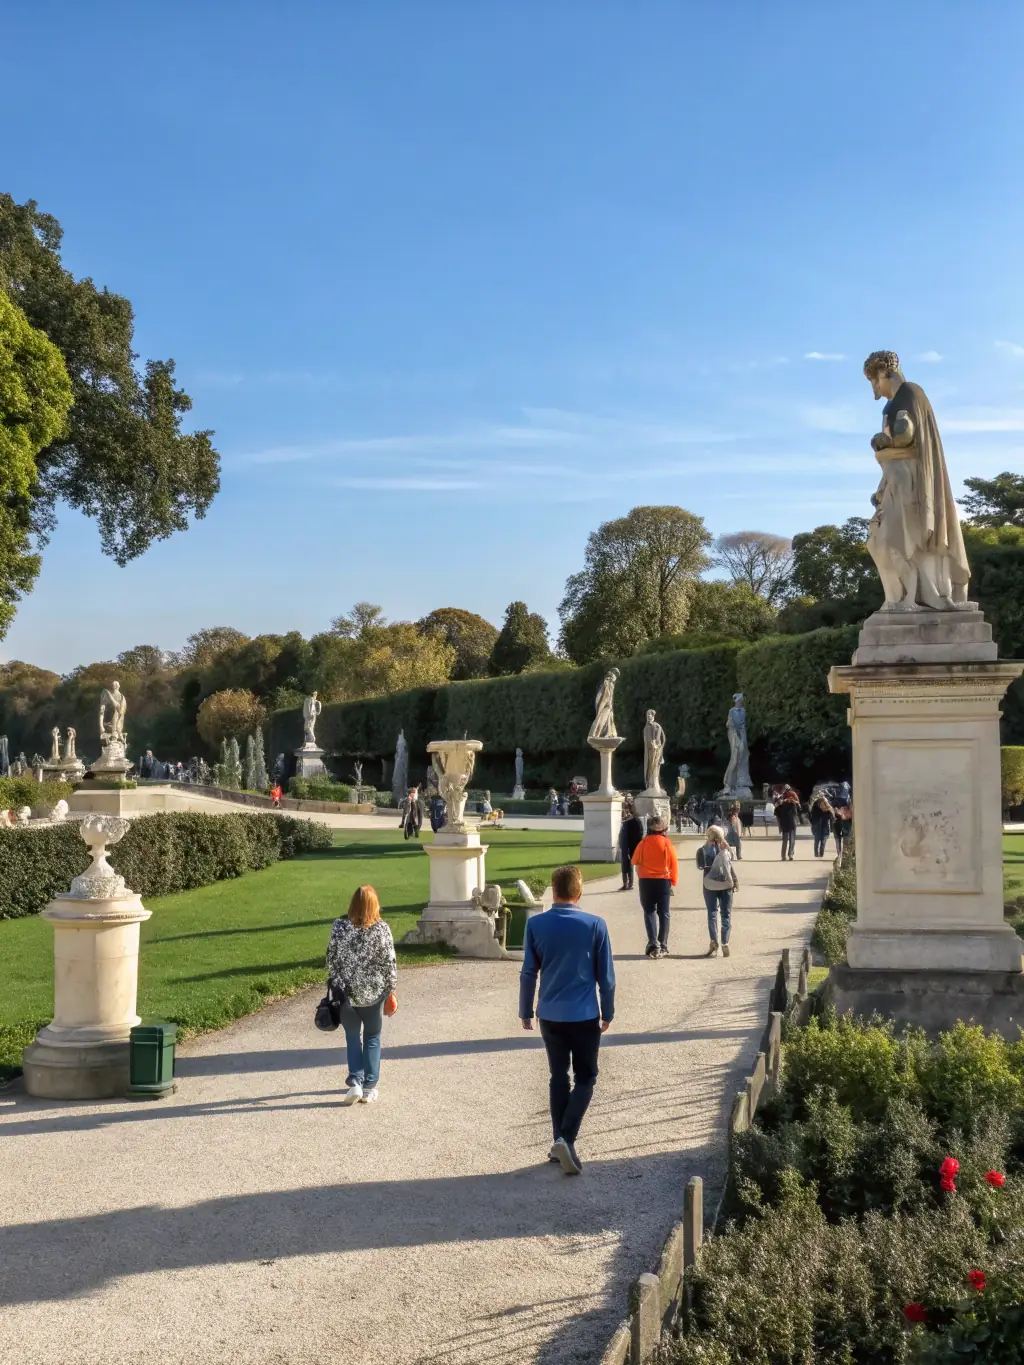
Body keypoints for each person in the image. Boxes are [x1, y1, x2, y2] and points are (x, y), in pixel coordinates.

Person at [519, 865, 615, 1175]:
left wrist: (525, 1010)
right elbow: (607, 978)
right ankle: (566, 1137)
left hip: (550, 1013)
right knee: (585, 1077)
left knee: (558, 1076)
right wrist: (608, 1011)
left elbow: (529, 971)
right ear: (579, 892)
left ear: (553, 890)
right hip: (584, 1013)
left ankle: (557, 1142)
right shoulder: (595, 925)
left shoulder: (536, 925)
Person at [326, 885, 398, 1105]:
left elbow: (331, 960)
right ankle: (369, 1087)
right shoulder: (381, 929)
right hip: (373, 994)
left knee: (352, 1037)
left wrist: (336, 984)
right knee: (372, 1037)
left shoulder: (339, 926)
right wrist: (391, 991)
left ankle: (355, 1082)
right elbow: (389, 963)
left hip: (346, 994)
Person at [631, 813, 679, 958]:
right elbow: (673, 864)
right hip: (663, 880)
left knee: (649, 911)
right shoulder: (666, 843)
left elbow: (634, 861)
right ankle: (663, 944)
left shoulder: (643, 843)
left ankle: (653, 943)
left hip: (646, 880)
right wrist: (673, 881)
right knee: (664, 913)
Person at [695, 825, 738, 958]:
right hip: (725, 884)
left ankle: (713, 941)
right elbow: (730, 865)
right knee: (726, 914)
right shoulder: (725, 849)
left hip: (710, 885)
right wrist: (735, 880)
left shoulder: (702, 850)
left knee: (712, 913)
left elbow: (700, 866)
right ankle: (725, 942)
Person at [617, 799, 644, 891]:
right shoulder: (624, 822)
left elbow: (639, 835)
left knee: (630, 865)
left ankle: (630, 883)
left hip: (632, 846)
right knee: (624, 865)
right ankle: (625, 883)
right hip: (625, 846)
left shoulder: (636, 821)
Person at [775, 786, 800, 861]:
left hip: (791, 823)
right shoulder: (781, 800)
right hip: (785, 823)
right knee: (786, 840)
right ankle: (785, 855)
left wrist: (793, 802)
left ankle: (790, 855)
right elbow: (777, 810)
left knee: (791, 840)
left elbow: (798, 805)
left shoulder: (793, 802)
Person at [809, 791, 835, 858]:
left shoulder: (828, 807)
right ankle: (816, 853)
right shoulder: (815, 806)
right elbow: (811, 815)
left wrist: (828, 811)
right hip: (817, 825)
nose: (822, 804)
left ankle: (821, 854)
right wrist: (813, 823)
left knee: (823, 840)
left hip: (825, 826)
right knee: (817, 840)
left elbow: (831, 816)